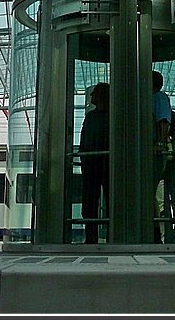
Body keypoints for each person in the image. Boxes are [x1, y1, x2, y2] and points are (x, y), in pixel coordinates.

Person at [152, 70, 175, 244]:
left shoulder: (157, 97)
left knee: (160, 199)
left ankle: (168, 238)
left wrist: (160, 143)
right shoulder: (159, 98)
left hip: (165, 152)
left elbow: (163, 121)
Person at [78, 82, 109, 244]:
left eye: (94, 93)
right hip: (100, 164)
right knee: (90, 203)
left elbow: (84, 139)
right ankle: (93, 237)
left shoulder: (92, 117)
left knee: (91, 202)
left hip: (97, 164)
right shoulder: (95, 116)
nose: (91, 96)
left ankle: (93, 238)